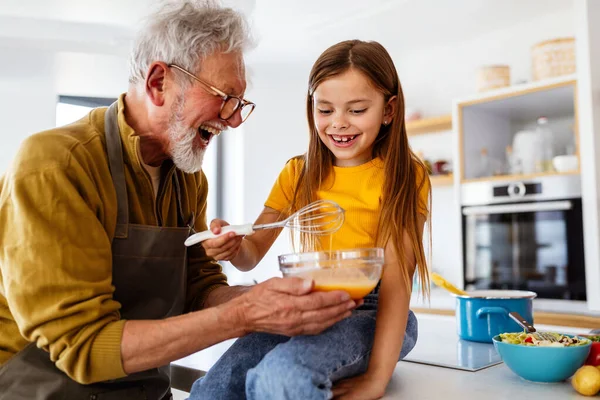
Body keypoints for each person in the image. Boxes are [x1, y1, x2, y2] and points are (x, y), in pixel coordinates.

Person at [0, 2, 358, 399]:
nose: (234, 119)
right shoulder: (56, 166)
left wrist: (263, 299)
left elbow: (198, 287)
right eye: (225, 97)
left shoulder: (188, 179)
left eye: (240, 103)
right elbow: (82, 345)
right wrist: (243, 315)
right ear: (158, 83)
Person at [190, 39, 431, 400]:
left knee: (282, 376)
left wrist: (377, 378)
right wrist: (233, 247)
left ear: (389, 110)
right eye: (326, 109)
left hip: (373, 315)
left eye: (357, 109)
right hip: (308, 309)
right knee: (216, 387)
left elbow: (397, 283)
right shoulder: (297, 173)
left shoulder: (405, 176)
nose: (338, 123)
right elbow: (252, 252)